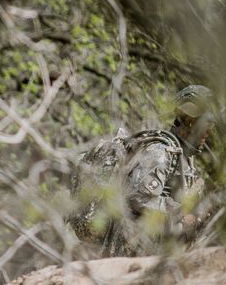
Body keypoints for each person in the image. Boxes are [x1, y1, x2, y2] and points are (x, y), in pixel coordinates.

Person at [83, 84, 215, 256]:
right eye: (204, 124)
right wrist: (180, 212)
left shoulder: (184, 159)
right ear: (187, 121)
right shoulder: (160, 153)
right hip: (131, 256)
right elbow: (136, 197)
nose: (208, 131)